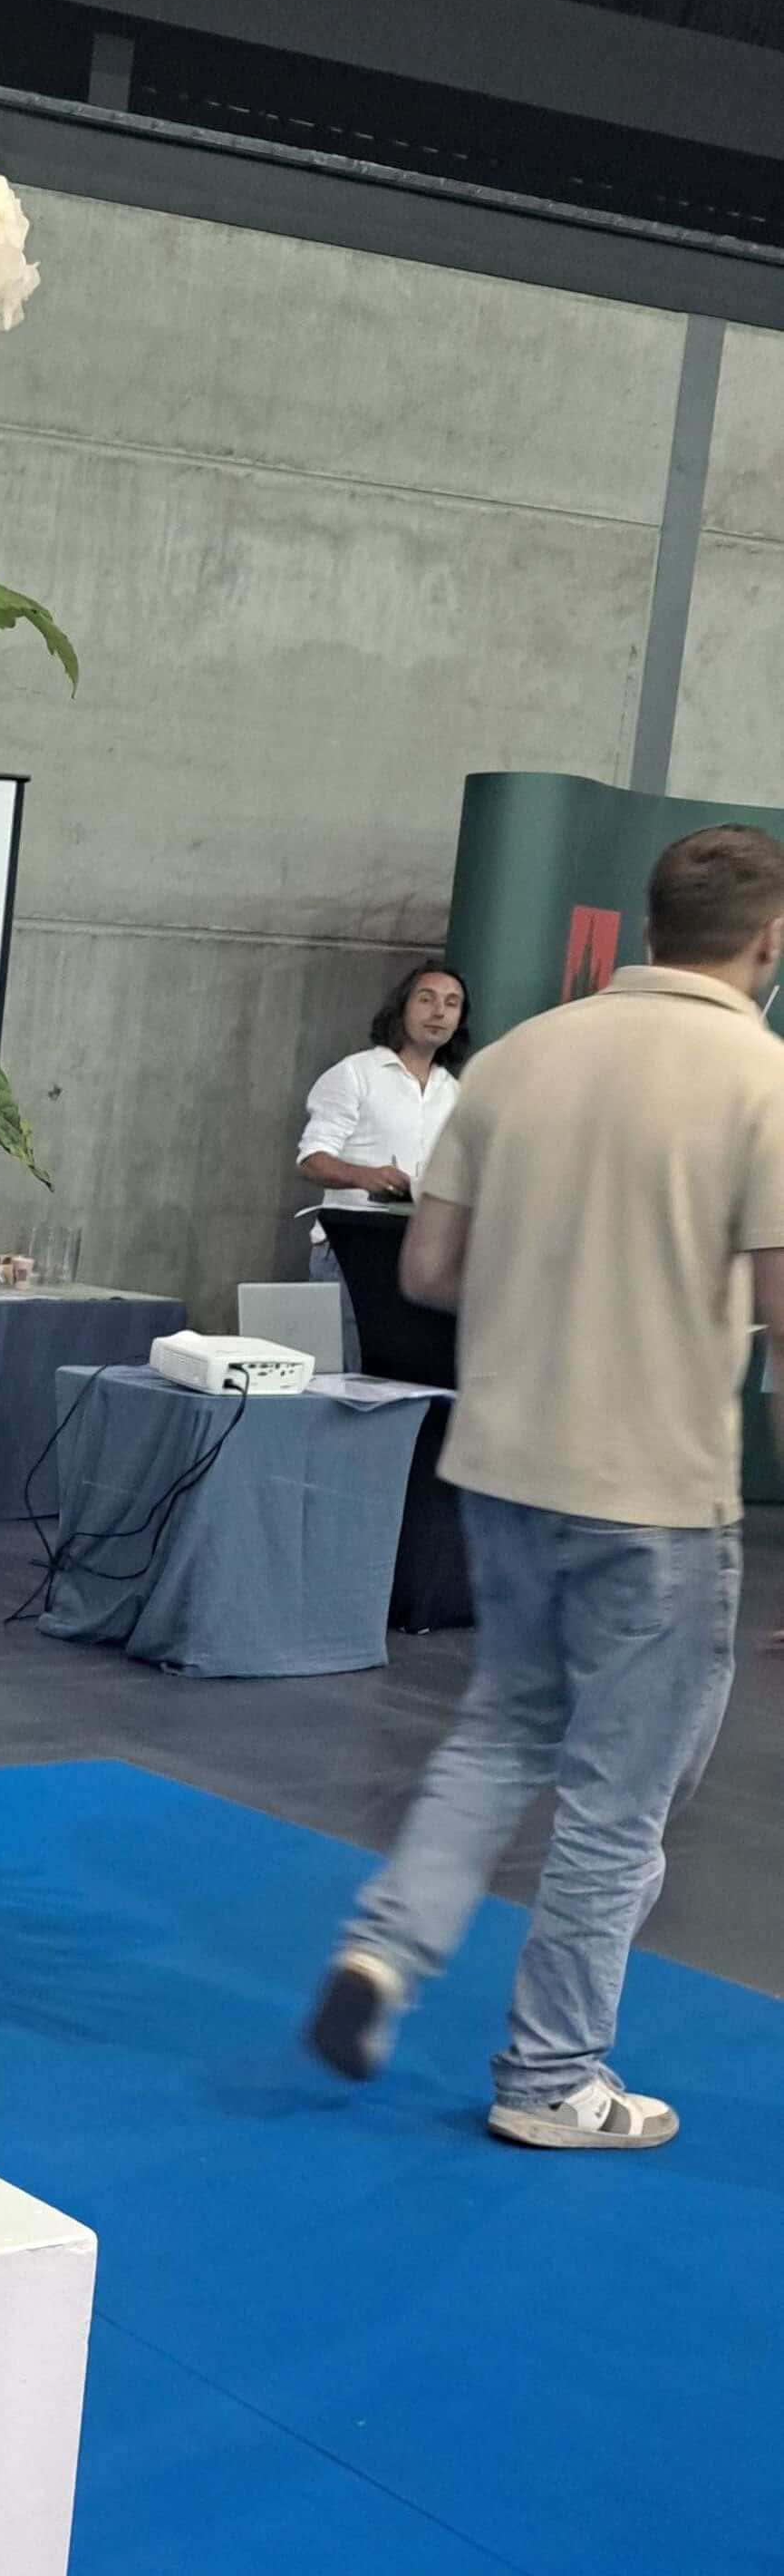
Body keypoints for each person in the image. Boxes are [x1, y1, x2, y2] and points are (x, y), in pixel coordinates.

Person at [305, 827, 784, 2148]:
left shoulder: (516, 1060)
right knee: (621, 1802)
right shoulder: (764, 1081)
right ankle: (551, 2076)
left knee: (503, 1728)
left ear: (650, 921)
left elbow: (428, 1273)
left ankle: (385, 1950)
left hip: (509, 1463)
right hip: (659, 1491)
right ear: (769, 939)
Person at [295, 957, 469, 1210]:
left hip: (418, 1230)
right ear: (401, 1009)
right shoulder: (355, 1073)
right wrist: (362, 1176)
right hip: (352, 1228)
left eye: (451, 1003)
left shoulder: (455, 1092)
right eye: (426, 999)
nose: (439, 1012)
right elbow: (311, 1160)